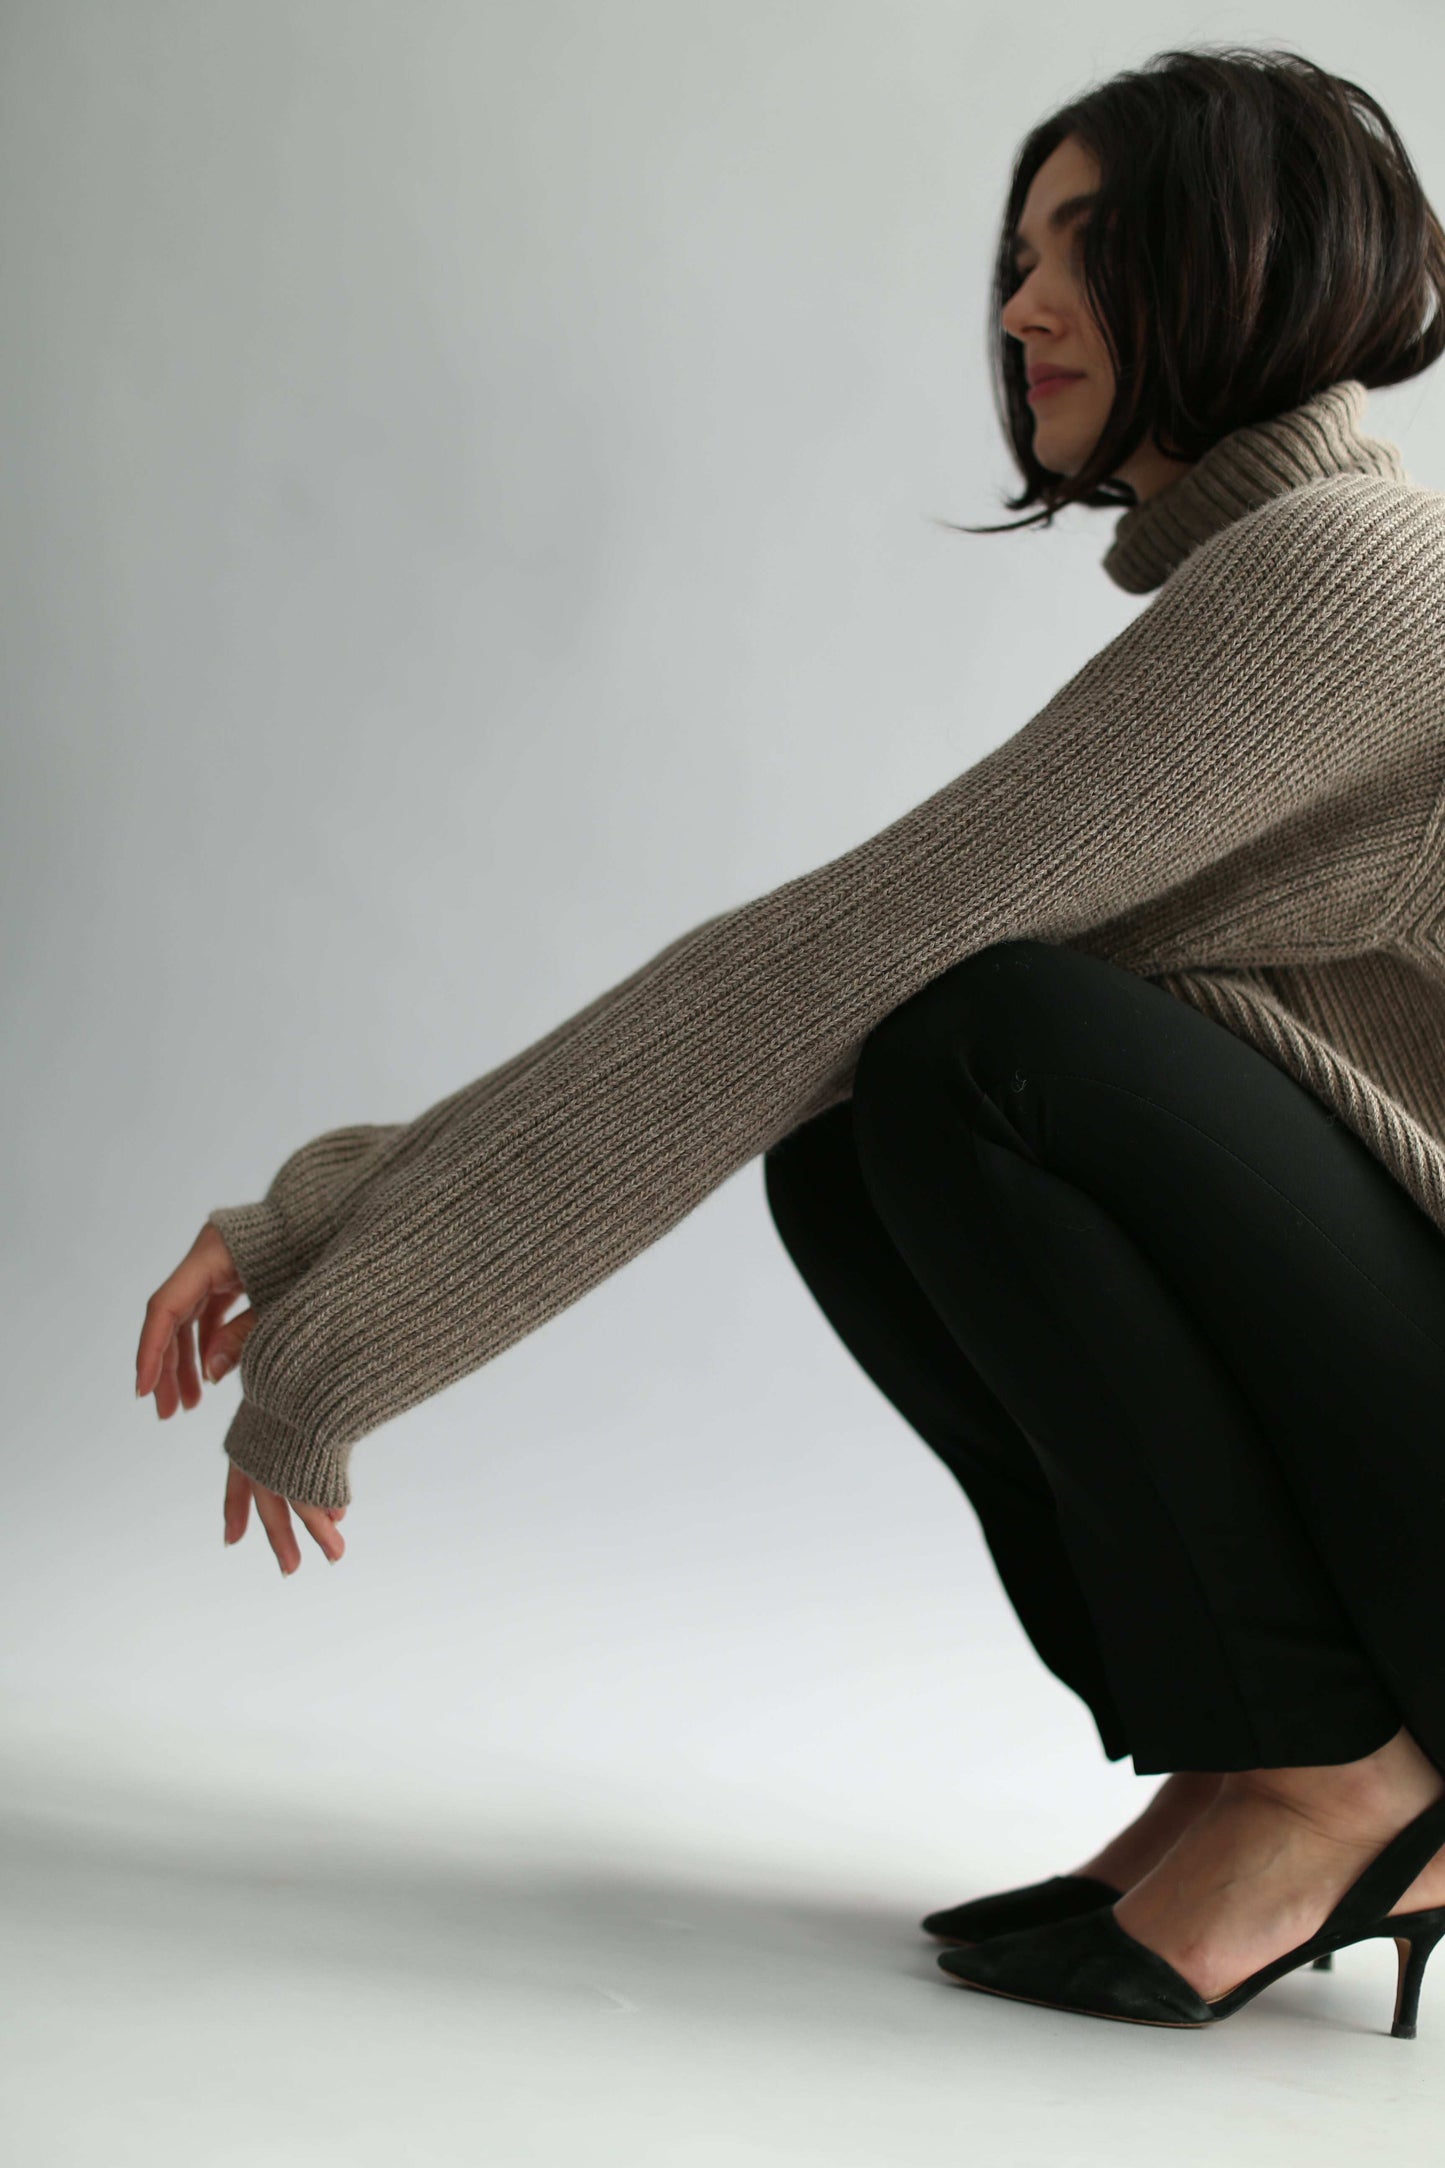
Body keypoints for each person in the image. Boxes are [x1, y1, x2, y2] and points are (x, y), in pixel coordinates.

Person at [135, 44, 1445, 2033]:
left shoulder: (1349, 576)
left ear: (1250, 265)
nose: (1020, 312)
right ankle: (1278, 1749)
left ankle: (1359, 1783)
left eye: (1094, 251)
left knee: (971, 1042)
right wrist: (329, 1214)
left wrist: (346, 1274)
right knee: (873, 1118)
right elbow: (833, 1003)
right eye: (1017, 254)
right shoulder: (1298, 571)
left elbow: (839, 950)